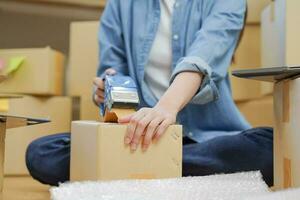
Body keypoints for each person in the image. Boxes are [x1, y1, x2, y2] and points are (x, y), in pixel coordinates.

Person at [25, 0, 273, 187]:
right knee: (41, 153)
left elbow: (203, 57)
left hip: (206, 139)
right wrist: (106, 89)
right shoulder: (121, 4)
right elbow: (112, 68)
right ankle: (161, 167)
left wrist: (166, 108)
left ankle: (137, 168)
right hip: (140, 138)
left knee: (269, 146)